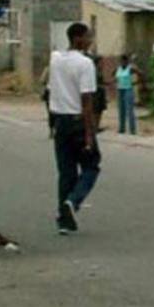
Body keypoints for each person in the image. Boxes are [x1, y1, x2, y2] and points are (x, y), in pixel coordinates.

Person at [49, 23, 101, 236]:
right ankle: (73, 200)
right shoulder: (85, 64)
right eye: (88, 37)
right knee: (91, 165)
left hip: (60, 121)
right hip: (78, 121)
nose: (90, 41)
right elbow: (86, 100)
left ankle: (64, 220)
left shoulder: (56, 59)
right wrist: (90, 134)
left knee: (66, 171)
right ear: (78, 38)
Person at [115, 54, 143, 135]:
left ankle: (132, 129)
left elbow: (141, 73)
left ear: (127, 61)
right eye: (121, 61)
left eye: (124, 61)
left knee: (129, 110)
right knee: (121, 109)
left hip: (128, 89)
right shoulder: (118, 68)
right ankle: (122, 128)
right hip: (120, 90)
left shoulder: (130, 68)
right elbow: (115, 76)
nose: (122, 63)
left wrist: (136, 83)